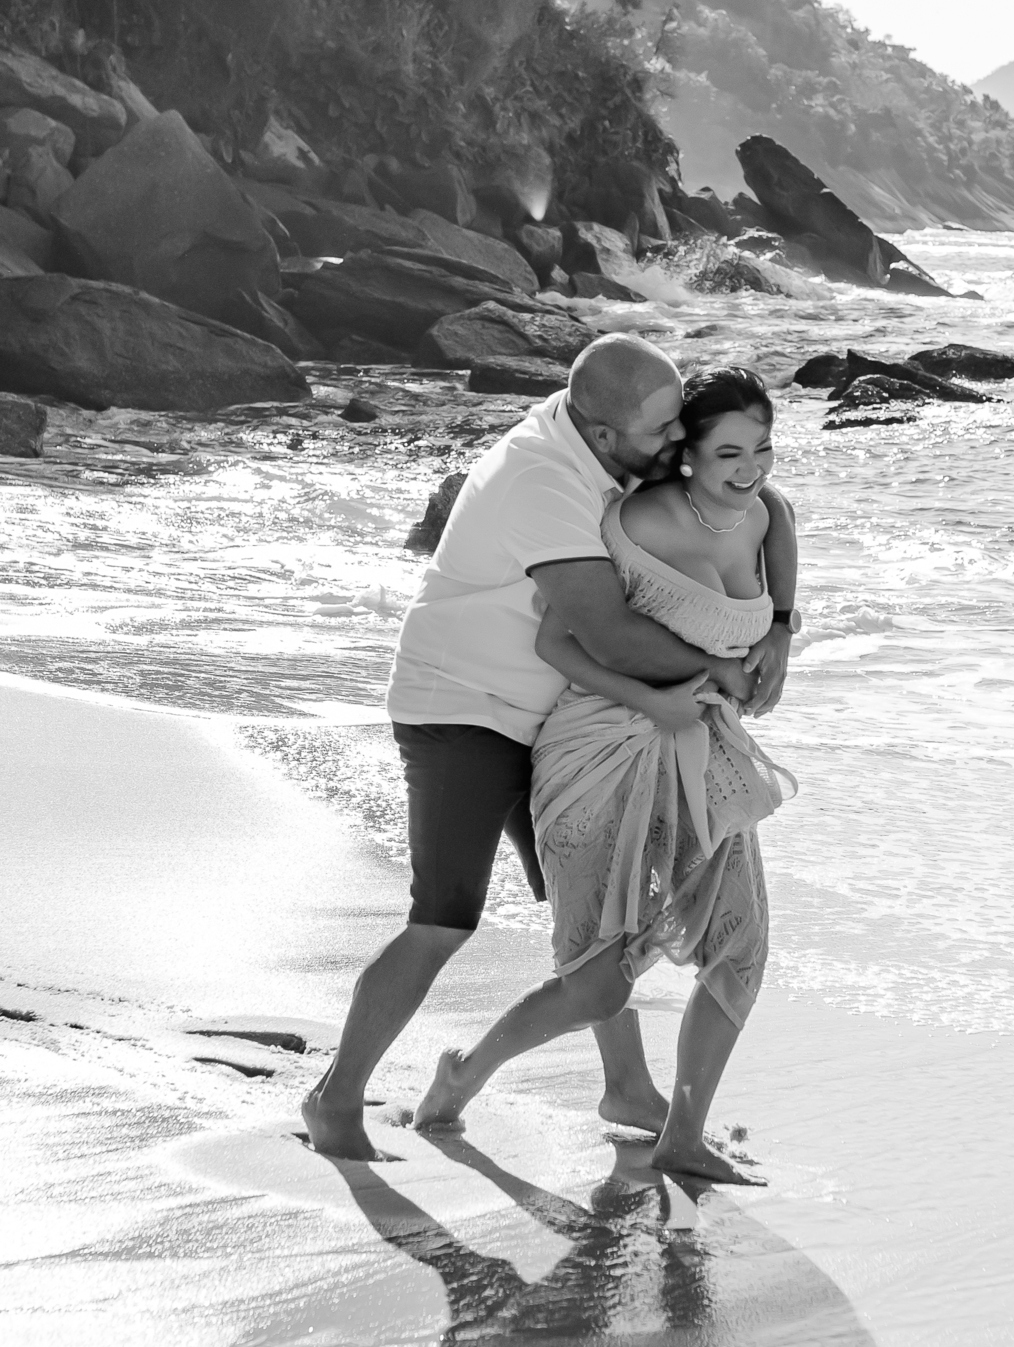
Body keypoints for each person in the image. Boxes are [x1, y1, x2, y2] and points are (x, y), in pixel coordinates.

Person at [302, 337, 797, 1161]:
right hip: (467, 712)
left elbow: (751, 496)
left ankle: (627, 1087)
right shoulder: (545, 480)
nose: (678, 442)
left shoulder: (603, 450)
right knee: (443, 918)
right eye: (665, 429)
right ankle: (335, 1098)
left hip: (549, 720)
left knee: (602, 927)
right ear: (607, 436)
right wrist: (719, 669)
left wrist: (780, 620)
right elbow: (604, 631)